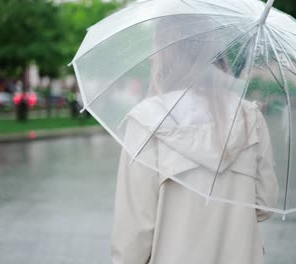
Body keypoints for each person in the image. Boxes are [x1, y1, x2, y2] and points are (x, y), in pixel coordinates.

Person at [111, 17, 278, 264]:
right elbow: (265, 203)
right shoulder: (249, 117)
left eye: (155, 49)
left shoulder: (147, 122)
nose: (151, 58)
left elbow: (133, 237)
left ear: (167, 55)